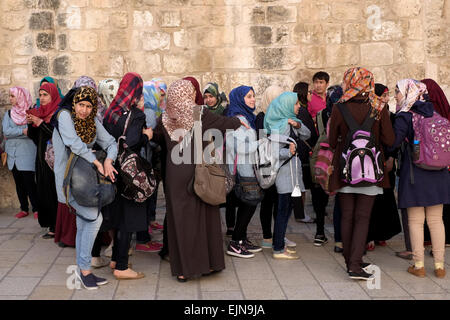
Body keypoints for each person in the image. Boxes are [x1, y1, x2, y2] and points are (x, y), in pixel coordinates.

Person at [152, 79, 242, 281]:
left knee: (181, 221)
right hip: (199, 170)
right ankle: (209, 264)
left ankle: (184, 269)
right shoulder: (198, 112)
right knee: (205, 216)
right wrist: (239, 120)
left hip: (175, 173)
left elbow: (156, 137)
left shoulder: (166, 116)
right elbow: (224, 124)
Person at [328, 67, 395, 280]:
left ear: (349, 82)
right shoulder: (379, 106)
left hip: (346, 168)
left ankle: (351, 261)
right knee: (363, 217)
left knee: (347, 215)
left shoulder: (339, 107)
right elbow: (389, 140)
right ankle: (355, 265)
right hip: (371, 169)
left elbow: (331, 141)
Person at [51, 86, 117, 289]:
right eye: (81, 104)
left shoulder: (93, 121)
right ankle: (85, 269)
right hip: (68, 180)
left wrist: (109, 161)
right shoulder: (64, 116)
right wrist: (96, 161)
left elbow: (112, 142)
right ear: (74, 103)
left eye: (89, 106)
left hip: (87, 183)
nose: (84, 110)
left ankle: (83, 269)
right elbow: (74, 143)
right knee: (94, 219)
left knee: (83, 223)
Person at [390, 79, 450, 278]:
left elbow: (394, 144)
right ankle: (440, 266)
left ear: (409, 93)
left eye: (397, 92)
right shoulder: (435, 113)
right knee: (436, 220)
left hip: (415, 174)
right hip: (439, 173)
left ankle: (419, 265)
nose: (396, 96)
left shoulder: (405, 116)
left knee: (415, 221)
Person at [103, 72, 151, 280]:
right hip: (129, 173)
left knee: (117, 216)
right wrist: (146, 136)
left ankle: (115, 259)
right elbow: (131, 142)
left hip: (111, 169)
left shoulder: (110, 111)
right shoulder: (136, 114)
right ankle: (121, 266)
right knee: (128, 219)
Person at [264, 92, 311, 259]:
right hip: (285, 175)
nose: (299, 106)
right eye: (296, 104)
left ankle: (280, 244)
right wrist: (289, 151)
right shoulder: (283, 125)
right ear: (286, 106)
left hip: (290, 175)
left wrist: (298, 126)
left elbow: (307, 135)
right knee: (283, 211)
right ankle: (278, 248)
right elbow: (273, 151)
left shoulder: (290, 123)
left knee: (284, 210)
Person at [224, 85, 263, 258]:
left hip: (246, 167)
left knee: (248, 204)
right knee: (250, 203)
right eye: (248, 96)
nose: (253, 99)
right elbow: (238, 146)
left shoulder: (247, 117)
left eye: (253, 96)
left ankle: (241, 238)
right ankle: (235, 242)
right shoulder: (238, 118)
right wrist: (261, 144)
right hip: (241, 169)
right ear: (240, 99)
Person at [366, 84, 402, 251]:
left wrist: (391, 157)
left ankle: (382, 233)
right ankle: (370, 236)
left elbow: (393, 140)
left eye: (388, 95)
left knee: (385, 200)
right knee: (372, 200)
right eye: (384, 95)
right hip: (372, 161)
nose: (387, 98)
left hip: (386, 162)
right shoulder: (371, 113)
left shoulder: (392, 115)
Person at [293, 81, 329, 244]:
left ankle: (299, 212)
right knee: (300, 184)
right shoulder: (303, 112)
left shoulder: (298, 110)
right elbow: (310, 134)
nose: (310, 95)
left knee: (299, 184)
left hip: (298, 151)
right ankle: (300, 213)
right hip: (302, 153)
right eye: (308, 93)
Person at [26, 83, 61, 238]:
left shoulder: (58, 114)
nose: (42, 98)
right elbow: (35, 138)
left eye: (45, 94)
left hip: (54, 162)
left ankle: (57, 226)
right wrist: (32, 125)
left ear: (53, 95)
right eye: (40, 95)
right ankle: (50, 224)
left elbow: (57, 136)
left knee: (53, 192)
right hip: (41, 160)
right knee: (44, 192)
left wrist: (40, 123)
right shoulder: (41, 112)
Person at [420, 79, 450, 249]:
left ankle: (426, 239)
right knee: (441, 206)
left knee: (425, 205)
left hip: (426, 163)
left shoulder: (422, 111)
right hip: (445, 164)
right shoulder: (445, 109)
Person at [255, 85, 283, 248]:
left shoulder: (282, 116)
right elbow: (262, 140)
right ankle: (267, 236)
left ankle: (278, 235)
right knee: (268, 200)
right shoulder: (261, 116)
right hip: (267, 163)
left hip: (281, 163)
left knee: (280, 201)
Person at [3, 87, 38, 219]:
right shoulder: (8, 114)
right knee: (19, 182)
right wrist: (21, 132)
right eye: (10, 96)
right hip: (12, 154)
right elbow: (6, 131)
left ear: (20, 96)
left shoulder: (30, 113)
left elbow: (31, 132)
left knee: (30, 181)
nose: (10, 99)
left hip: (27, 153)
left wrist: (18, 132)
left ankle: (36, 208)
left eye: (12, 96)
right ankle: (24, 208)